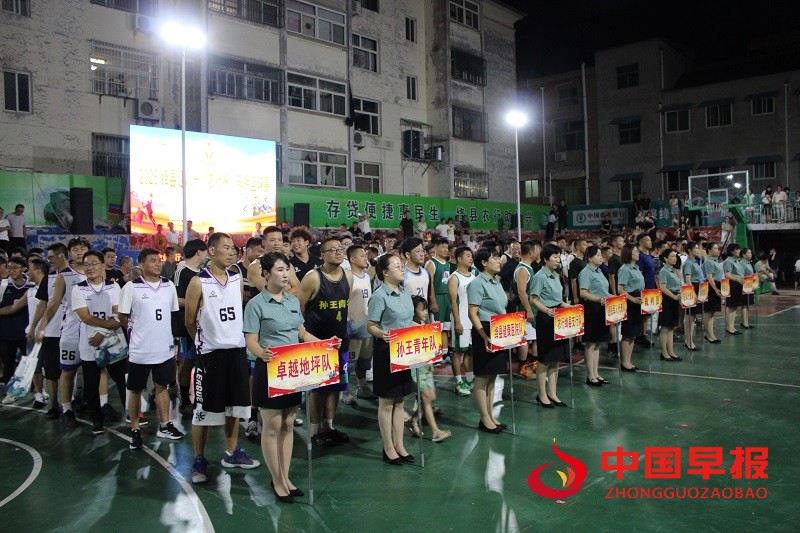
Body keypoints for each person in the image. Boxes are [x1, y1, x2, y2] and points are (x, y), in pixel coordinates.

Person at [244, 252, 325, 503]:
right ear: (266, 274)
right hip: (270, 369)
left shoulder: (292, 301)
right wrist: (262, 354)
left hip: (292, 370)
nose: (286, 274)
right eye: (279, 270)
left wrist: (324, 344)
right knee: (272, 426)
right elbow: (251, 340)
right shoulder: (256, 304)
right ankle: (277, 479)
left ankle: (285, 476)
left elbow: (301, 333)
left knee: (289, 423)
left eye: (287, 269)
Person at [185, 232, 260, 484]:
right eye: (226, 247)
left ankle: (232, 451)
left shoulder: (237, 277)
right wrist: (206, 342)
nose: (231, 252)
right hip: (210, 355)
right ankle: (199, 458)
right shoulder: (198, 282)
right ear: (211, 251)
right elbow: (189, 321)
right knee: (203, 411)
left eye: (233, 248)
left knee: (235, 407)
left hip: (236, 351)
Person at [118, 248, 183, 448]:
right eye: (152, 260)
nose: (157, 264)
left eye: (158, 260)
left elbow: (172, 313)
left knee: (162, 387)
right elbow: (123, 316)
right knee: (136, 390)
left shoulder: (168, 285)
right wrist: (137, 332)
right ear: (142, 264)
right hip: (140, 350)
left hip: (164, 348)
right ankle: (135, 429)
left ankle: (165, 425)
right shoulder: (131, 287)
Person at [298, 237, 353, 446]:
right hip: (318, 343)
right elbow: (300, 309)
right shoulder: (313, 278)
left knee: (336, 386)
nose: (338, 252)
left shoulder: (348, 275)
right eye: (333, 250)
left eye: (340, 249)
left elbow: (344, 305)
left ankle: (328, 426)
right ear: (322, 255)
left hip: (341, 341)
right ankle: (313, 432)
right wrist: (308, 337)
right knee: (318, 389)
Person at [71, 250, 128, 435]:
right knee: (91, 385)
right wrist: (110, 323)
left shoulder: (113, 287)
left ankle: (132, 414)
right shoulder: (78, 289)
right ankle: (96, 420)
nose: (90, 268)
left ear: (103, 265)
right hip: (90, 345)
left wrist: (103, 331)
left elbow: (119, 315)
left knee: (123, 380)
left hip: (113, 344)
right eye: (86, 264)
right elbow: (85, 317)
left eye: (94, 263)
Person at [367, 253, 416, 465]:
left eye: (401, 265)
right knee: (387, 403)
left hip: (404, 351)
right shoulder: (379, 296)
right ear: (385, 272)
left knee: (400, 401)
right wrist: (382, 334)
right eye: (397, 266)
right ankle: (388, 448)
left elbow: (408, 322)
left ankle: (400, 445)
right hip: (386, 352)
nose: (402, 268)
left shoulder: (405, 293)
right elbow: (371, 325)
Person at [36, 237, 89, 428]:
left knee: (97, 371)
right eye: (75, 249)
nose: (79, 252)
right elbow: (52, 304)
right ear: (69, 253)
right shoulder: (64, 275)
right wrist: (42, 326)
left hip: (92, 330)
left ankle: (98, 404)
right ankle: (66, 409)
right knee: (67, 371)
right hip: (71, 331)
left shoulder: (97, 271)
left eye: (82, 248)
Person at [466, 249, 510, 432]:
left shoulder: (496, 282)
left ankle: (491, 416)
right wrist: (484, 335)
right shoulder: (477, 283)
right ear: (483, 263)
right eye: (494, 258)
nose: (499, 261)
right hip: (484, 331)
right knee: (483, 376)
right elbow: (472, 313)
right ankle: (484, 419)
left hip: (498, 329)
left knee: (492, 375)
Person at [530, 244, 570, 405]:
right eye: (554, 257)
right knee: (545, 359)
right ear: (545, 259)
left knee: (555, 358)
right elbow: (534, 299)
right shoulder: (539, 276)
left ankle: (552, 393)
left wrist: (567, 306)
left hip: (558, 317)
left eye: (559, 256)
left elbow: (557, 299)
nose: (558, 260)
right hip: (546, 319)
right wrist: (547, 310)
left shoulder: (555, 275)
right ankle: (541, 394)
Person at [409, 296, 452, 443]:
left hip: (426, 366)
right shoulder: (409, 326)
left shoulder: (424, 325)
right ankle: (436, 432)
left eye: (426, 309)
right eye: (421, 309)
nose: (425, 312)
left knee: (431, 397)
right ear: (413, 310)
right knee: (427, 398)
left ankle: (414, 420)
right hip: (417, 368)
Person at [174, 239, 208, 417]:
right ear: (200, 252)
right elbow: (175, 298)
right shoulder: (182, 271)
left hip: (203, 324)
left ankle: (201, 398)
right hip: (187, 324)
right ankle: (185, 400)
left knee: (201, 362)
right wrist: (196, 301)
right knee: (187, 362)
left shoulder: (203, 272)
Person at [579, 246, 615, 378]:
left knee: (598, 344)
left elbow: (604, 292)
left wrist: (614, 298)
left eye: (601, 255)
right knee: (591, 343)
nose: (601, 257)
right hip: (592, 309)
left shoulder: (599, 271)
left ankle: (596, 373)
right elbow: (583, 293)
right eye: (598, 255)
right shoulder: (585, 272)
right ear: (589, 258)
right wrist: (599, 299)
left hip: (602, 308)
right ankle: (590, 375)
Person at [347, 244, 376, 400]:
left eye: (366, 255)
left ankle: (362, 387)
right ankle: (345, 391)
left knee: (364, 362)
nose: (366, 258)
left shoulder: (366, 276)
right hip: (352, 325)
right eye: (362, 255)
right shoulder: (348, 276)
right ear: (352, 259)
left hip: (366, 325)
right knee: (349, 363)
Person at [0, 257, 35, 384]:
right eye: (9, 267)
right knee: (8, 364)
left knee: (29, 363)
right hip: (6, 332)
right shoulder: (3, 285)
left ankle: (31, 387)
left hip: (26, 332)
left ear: (24, 269)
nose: (12, 270)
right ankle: (8, 389)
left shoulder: (32, 285)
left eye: (15, 267)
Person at [447, 246, 475, 396]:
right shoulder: (454, 278)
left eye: (471, 256)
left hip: (472, 320)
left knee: (470, 351)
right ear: (459, 259)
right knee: (458, 352)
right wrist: (457, 321)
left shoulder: (473, 276)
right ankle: (458, 383)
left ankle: (469, 380)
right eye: (468, 256)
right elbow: (453, 302)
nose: (471, 258)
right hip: (461, 320)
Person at [617, 244, 645, 375]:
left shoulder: (636, 267)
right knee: (627, 332)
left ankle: (629, 360)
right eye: (635, 251)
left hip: (638, 299)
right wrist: (633, 299)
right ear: (629, 253)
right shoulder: (624, 269)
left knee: (633, 333)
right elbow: (620, 289)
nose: (638, 253)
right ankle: (624, 362)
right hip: (630, 300)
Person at [513, 241, 539, 379]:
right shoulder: (523, 269)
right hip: (524, 309)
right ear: (531, 252)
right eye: (537, 249)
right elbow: (522, 292)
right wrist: (529, 310)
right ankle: (522, 369)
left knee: (534, 338)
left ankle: (534, 366)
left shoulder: (528, 267)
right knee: (525, 339)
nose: (539, 252)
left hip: (530, 308)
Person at [657, 249, 684, 361]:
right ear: (665, 258)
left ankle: (671, 351)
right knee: (665, 328)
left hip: (675, 299)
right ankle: (664, 353)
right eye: (672, 256)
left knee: (671, 327)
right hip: (667, 300)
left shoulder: (673, 270)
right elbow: (662, 287)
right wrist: (673, 296)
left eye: (675, 256)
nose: (675, 258)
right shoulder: (664, 271)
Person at [680, 242, 702, 351]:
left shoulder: (695, 261)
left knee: (693, 317)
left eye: (698, 248)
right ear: (689, 250)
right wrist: (694, 294)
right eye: (696, 248)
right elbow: (688, 280)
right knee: (689, 316)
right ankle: (688, 341)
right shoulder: (688, 263)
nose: (698, 250)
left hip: (697, 287)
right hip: (691, 289)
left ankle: (689, 340)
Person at [702, 242, 724, 344]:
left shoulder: (715, 261)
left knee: (712, 313)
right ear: (709, 250)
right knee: (708, 312)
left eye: (718, 248)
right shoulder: (708, 261)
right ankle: (708, 335)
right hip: (711, 287)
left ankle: (712, 335)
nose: (717, 250)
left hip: (717, 285)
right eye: (715, 248)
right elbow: (709, 277)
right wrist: (715, 289)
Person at [723, 243, 745, 335]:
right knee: (731, 307)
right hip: (732, 285)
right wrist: (737, 279)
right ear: (732, 251)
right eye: (737, 249)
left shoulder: (737, 261)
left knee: (734, 307)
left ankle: (732, 327)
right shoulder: (728, 261)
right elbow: (727, 274)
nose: (739, 251)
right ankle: (729, 327)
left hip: (738, 284)